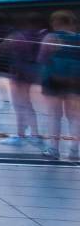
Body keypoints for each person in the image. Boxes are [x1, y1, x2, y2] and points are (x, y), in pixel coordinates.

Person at [0, 16, 42, 146]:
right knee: (27, 103)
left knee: (19, 104)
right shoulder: (37, 35)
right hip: (31, 72)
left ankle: (20, 135)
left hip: (18, 73)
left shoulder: (16, 35)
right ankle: (34, 134)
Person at [39, 11, 80, 160]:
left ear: (56, 22)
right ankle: (75, 150)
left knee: (54, 116)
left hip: (53, 81)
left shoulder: (51, 37)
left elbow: (42, 58)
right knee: (74, 117)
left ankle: (53, 150)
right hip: (75, 82)